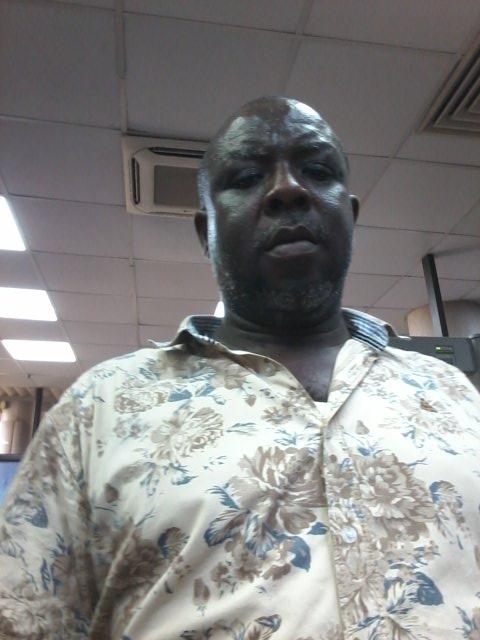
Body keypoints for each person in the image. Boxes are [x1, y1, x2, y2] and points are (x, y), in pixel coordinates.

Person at [0, 96, 479, 640]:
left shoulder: (453, 396)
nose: (288, 189)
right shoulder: (98, 412)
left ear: (350, 215)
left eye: (317, 170)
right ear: (205, 232)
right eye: (248, 177)